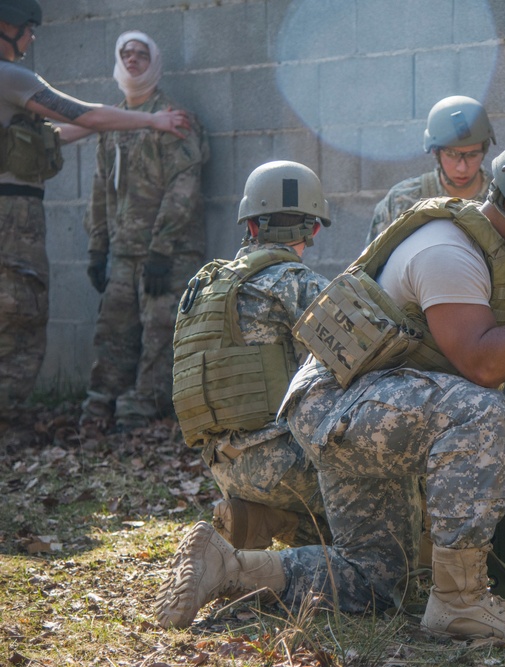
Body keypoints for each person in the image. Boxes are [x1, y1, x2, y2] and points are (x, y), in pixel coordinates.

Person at [155, 131, 505, 642]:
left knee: (372, 579)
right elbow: (483, 365)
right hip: (336, 405)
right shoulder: (448, 251)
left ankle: (228, 566)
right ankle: (461, 601)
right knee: (480, 410)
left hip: (371, 411)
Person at [0, 0, 188, 422]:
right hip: (12, 217)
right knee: (20, 319)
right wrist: (150, 121)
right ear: (5, 26)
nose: (31, 38)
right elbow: (83, 114)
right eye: (28, 28)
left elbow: (60, 133)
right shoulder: (10, 75)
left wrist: (124, 119)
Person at [172, 161, 332, 550]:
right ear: (313, 229)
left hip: (222, 467)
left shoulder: (204, 286)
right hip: (284, 468)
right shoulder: (302, 285)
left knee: (328, 531)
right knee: (386, 506)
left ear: (252, 225)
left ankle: (257, 517)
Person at [79, 30, 209, 432]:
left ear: (153, 61)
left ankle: (143, 413)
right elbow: (101, 188)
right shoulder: (113, 122)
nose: (132, 59)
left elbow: (183, 186)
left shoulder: (174, 119)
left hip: (166, 254)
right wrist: (97, 248)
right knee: (112, 332)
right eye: (125, 53)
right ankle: (100, 407)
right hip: (122, 252)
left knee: (160, 332)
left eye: (141, 53)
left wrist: (161, 248)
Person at [364, 95, 495, 246]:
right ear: (435, 152)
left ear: (484, 150)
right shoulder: (402, 201)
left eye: (472, 155)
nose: (462, 167)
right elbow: (374, 265)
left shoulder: (502, 201)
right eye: (451, 154)